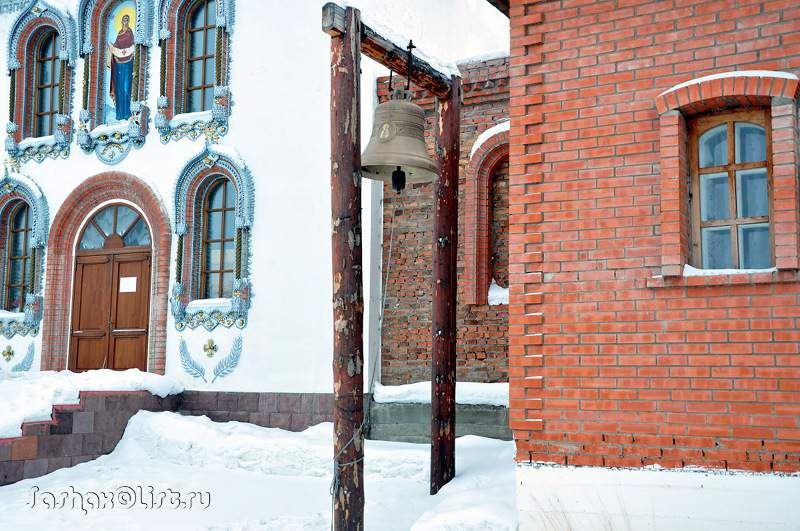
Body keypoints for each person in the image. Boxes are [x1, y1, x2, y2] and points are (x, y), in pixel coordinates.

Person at [108, 14, 134, 121]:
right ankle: (119, 114)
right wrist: (112, 47)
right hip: (118, 65)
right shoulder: (119, 33)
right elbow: (116, 46)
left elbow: (132, 44)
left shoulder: (130, 32)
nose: (125, 21)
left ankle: (127, 113)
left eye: (127, 19)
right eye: (124, 19)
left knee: (126, 88)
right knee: (119, 90)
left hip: (128, 64)